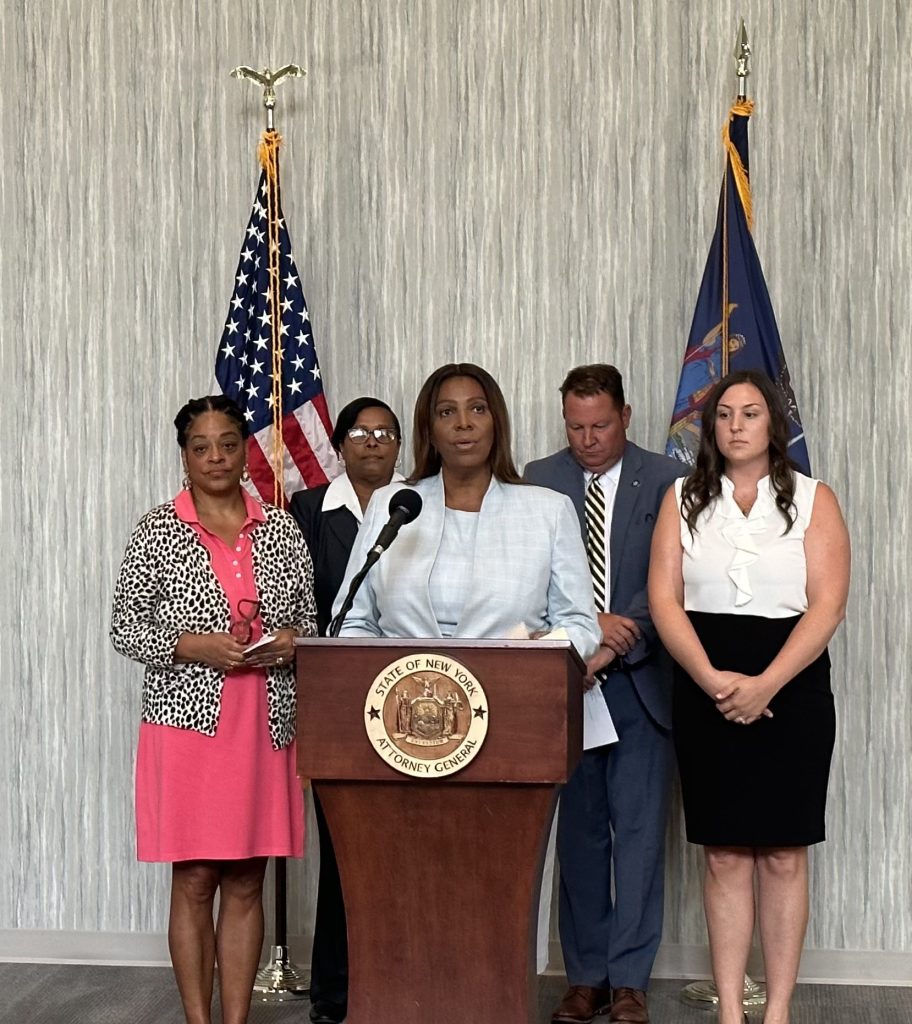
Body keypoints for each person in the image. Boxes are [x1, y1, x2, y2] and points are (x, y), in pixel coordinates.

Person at [648, 369, 850, 1024]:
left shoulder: (816, 498)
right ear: (710, 427)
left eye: (751, 414)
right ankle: (732, 1010)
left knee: (786, 854)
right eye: (725, 414)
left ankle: (779, 1010)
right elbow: (664, 600)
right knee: (727, 853)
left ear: (775, 425)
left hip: (790, 687)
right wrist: (711, 680)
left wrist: (766, 683)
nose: (736, 425)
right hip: (706, 682)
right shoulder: (680, 498)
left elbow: (826, 607)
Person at [111, 395, 317, 1024]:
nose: (216, 457)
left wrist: (289, 643)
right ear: (184, 456)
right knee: (196, 877)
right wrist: (192, 645)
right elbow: (126, 627)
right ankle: (198, 1020)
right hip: (189, 729)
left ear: (244, 449)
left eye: (228, 443)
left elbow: (309, 621)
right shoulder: (157, 530)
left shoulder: (280, 528)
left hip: (265, 723)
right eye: (201, 446)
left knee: (249, 878)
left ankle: (235, 1021)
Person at [524, 364, 685, 1024]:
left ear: (627, 415)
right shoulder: (536, 480)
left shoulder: (670, 481)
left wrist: (617, 638)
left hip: (641, 684)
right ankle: (584, 976)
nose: (587, 440)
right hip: (564, 686)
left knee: (641, 839)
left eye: (601, 425)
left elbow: (681, 580)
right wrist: (580, 634)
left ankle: (630, 982)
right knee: (580, 840)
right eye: (576, 427)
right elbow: (521, 577)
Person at [336, 361, 601, 676]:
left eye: (477, 409)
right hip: (402, 706)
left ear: (496, 423)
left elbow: (581, 624)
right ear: (429, 431)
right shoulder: (390, 506)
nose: (463, 423)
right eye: (446, 412)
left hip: (512, 694)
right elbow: (353, 620)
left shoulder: (549, 511)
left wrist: (548, 649)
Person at [289, 396, 403, 1024]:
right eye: (361, 432)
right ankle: (335, 992)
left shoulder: (419, 505)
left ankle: (398, 978)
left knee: (401, 845)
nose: (374, 442)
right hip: (335, 693)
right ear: (339, 442)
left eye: (386, 433)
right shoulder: (308, 511)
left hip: (407, 694)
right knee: (345, 846)